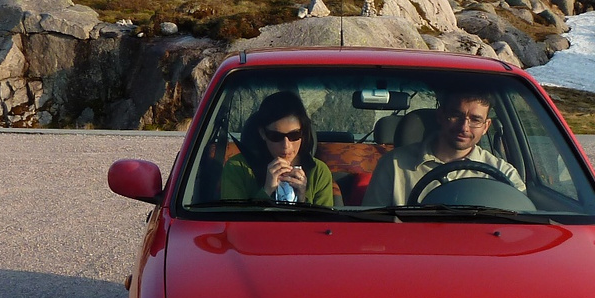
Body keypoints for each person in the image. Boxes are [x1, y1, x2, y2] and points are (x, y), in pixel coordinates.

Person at [364, 89, 525, 207]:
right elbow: (369, 228)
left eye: (475, 120)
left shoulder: (504, 175)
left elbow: (523, 228)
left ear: (486, 126)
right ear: (440, 116)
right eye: (456, 116)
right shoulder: (393, 165)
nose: (464, 127)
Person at [219, 90, 336, 207]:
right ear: (263, 134)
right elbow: (233, 221)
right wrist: (266, 191)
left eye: (294, 135)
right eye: (276, 136)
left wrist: (302, 200)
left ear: (304, 133)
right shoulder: (237, 168)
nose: (286, 145)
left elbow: (325, 224)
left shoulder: (318, 172)